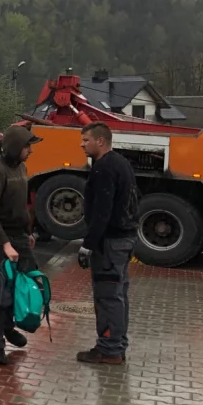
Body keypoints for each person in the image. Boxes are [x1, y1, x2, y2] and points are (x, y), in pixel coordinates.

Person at [0, 125, 41, 365]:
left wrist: (27, 232)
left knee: (21, 285)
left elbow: (21, 204)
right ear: (15, 147)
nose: (31, 150)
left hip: (18, 236)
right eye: (27, 146)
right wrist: (4, 243)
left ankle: (8, 327)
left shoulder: (21, 167)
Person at [76, 121, 139, 365]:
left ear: (100, 141)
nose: (82, 145)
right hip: (125, 239)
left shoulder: (103, 168)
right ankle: (116, 345)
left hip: (110, 243)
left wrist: (88, 245)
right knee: (119, 294)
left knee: (108, 296)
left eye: (86, 140)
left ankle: (109, 350)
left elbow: (103, 210)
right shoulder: (121, 163)